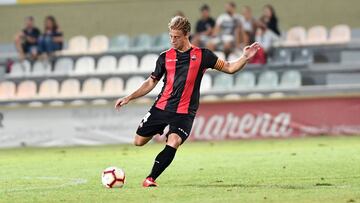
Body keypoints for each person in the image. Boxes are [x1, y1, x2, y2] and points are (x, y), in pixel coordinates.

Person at [114, 16, 260, 187]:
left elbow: (229, 67)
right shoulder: (164, 57)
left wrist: (244, 57)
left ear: (186, 35)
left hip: (185, 112)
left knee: (174, 141)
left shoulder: (203, 55)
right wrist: (129, 97)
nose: (172, 40)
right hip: (161, 107)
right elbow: (151, 82)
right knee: (138, 142)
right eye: (170, 36)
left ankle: (150, 178)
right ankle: (157, 134)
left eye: (176, 37)